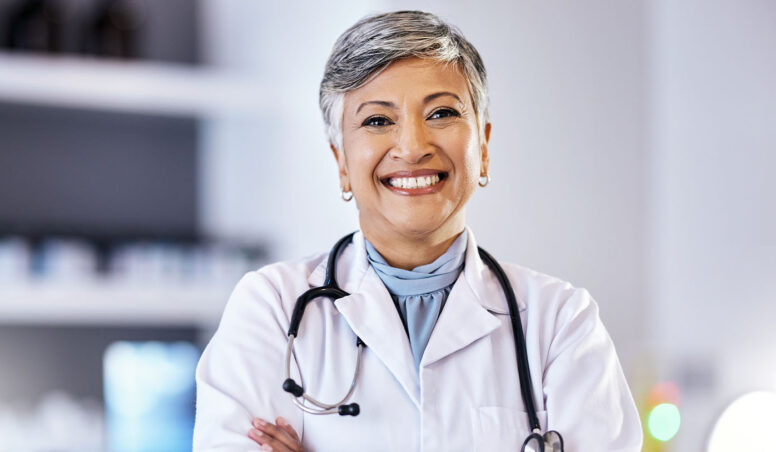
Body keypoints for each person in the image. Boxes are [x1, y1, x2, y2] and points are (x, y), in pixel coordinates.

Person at [192, 10, 642, 451]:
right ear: (341, 163)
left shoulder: (560, 323)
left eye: (442, 113)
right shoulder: (270, 308)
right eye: (377, 120)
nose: (412, 147)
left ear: (482, 147)